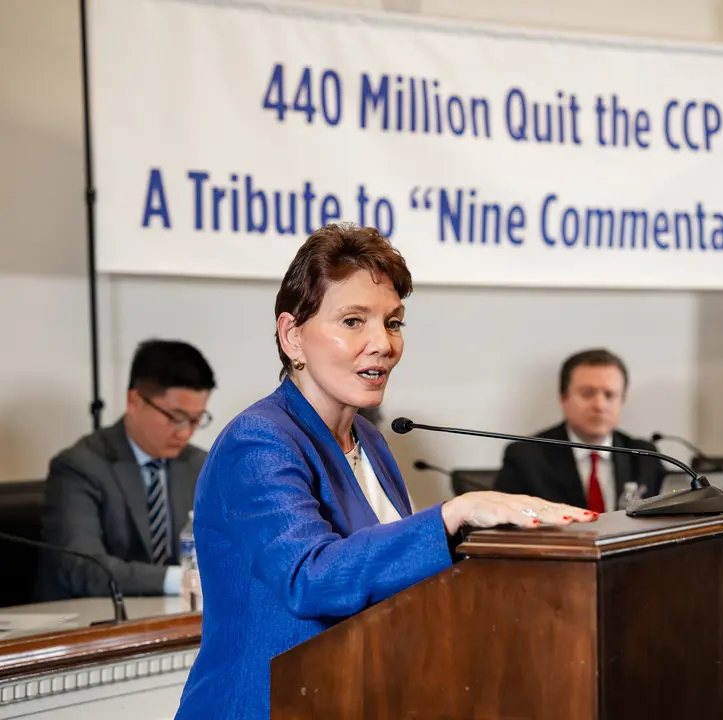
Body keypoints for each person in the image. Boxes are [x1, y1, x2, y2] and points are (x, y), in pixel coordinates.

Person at [174, 225, 596, 720]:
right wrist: (451, 516)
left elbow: (390, 576)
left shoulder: (369, 438)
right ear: (292, 336)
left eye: (393, 323)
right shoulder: (259, 441)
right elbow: (310, 577)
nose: (382, 343)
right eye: (353, 321)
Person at [38, 339, 215, 600]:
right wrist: (183, 579)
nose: (185, 431)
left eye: (196, 419)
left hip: (177, 619)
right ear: (134, 400)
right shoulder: (80, 467)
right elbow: (84, 568)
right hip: (92, 622)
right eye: (175, 417)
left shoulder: (199, 464)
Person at [493, 348, 665, 512]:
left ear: (622, 401)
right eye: (587, 393)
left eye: (609, 395)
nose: (599, 405)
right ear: (563, 399)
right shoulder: (526, 457)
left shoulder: (644, 456)